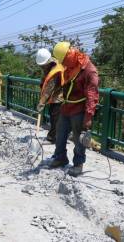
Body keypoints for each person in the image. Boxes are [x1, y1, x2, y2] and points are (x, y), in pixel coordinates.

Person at [45, 42, 100, 177]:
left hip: (79, 109)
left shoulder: (88, 70)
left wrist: (88, 117)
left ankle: (78, 164)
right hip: (67, 107)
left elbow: (92, 95)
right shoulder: (69, 67)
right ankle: (60, 158)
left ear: (70, 55)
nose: (63, 64)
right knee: (60, 133)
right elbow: (61, 83)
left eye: (64, 61)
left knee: (78, 139)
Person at [35, 48, 64, 143]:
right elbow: (45, 81)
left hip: (60, 97)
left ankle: (52, 138)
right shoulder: (50, 66)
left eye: (43, 65)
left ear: (47, 62)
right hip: (55, 96)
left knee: (55, 118)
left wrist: (41, 103)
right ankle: (57, 136)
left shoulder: (55, 71)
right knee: (53, 117)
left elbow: (49, 89)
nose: (42, 68)